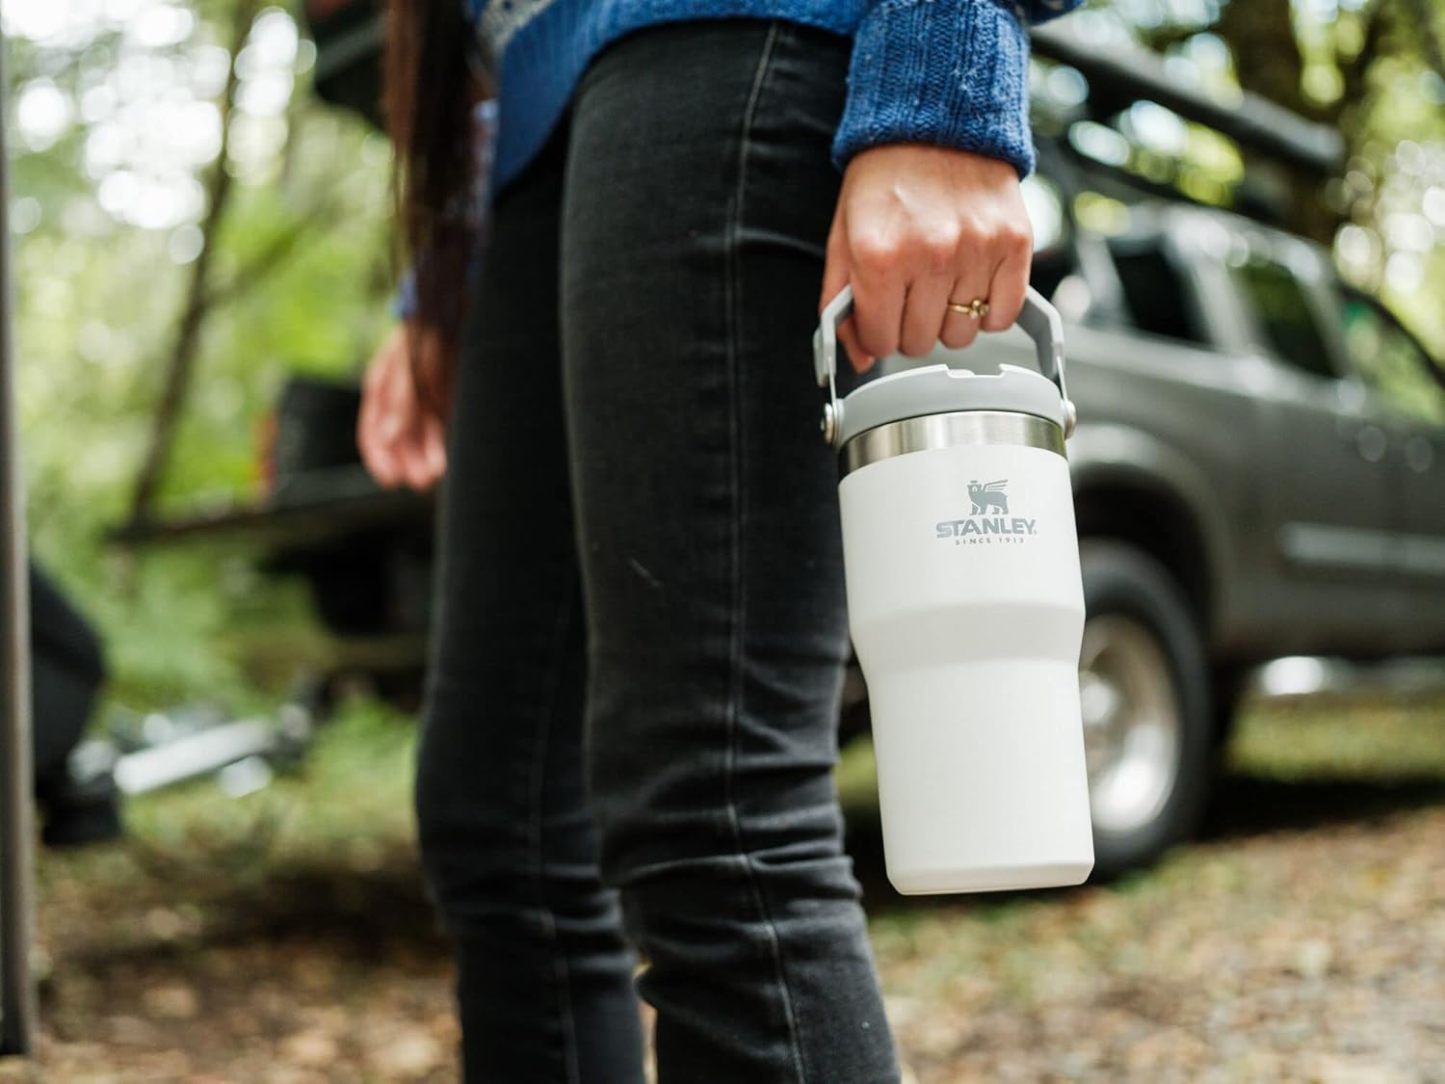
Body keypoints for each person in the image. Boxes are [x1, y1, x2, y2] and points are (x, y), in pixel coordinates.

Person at [359, 0, 1079, 1079]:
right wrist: (440, 275)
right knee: (498, 824)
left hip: (728, 43)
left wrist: (944, 71)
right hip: (535, 128)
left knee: (714, 810)